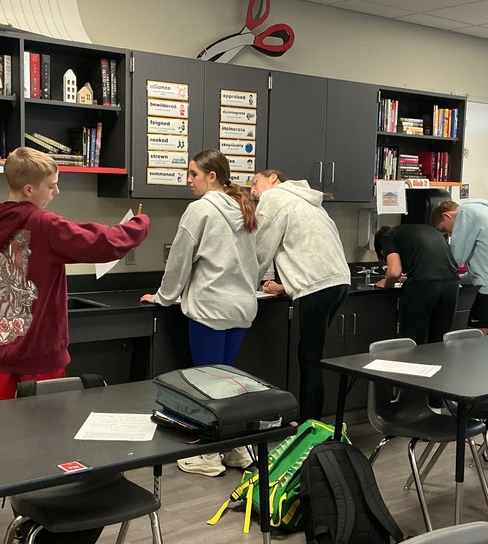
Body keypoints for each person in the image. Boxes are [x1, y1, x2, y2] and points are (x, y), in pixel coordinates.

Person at [0, 146, 150, 544]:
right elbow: (103, 242)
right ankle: (32, 526)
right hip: (40, 356)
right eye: (52, 185)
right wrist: (138, 223)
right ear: (29, 189)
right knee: (48, 448)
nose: (56, 191)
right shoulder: (42, 224)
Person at [142, 149, 258, 477]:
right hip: (241, 308)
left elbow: (179, 260)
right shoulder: (244, 206)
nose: (188, 180)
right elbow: (257, 258)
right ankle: (234, 449)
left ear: (212, 177)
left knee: (207, 384)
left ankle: (208, 457)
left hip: (211, 307)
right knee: (229, 383)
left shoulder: (200, 209)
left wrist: (164, 297)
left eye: (193, 174)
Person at [252, 169, 350, 423]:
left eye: (255, 182)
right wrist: (286, 285)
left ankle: (308, 428)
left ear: (273, 178)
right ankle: (311, 423)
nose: (252, 190)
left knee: (310, 359)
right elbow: (308, 249)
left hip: (316, 288)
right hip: (338, 283)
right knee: (311, 355)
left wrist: (243, 284)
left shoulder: (274, 198)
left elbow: (260, 250)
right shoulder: (307, 200)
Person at [430, 199, 488, 334]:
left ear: (447, 216)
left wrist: (431, 273)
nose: (449, 234)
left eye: (445, 229)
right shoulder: (486, 214)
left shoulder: (466, 213)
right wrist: (459, 278)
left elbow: (455, 258)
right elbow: (482, 269)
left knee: (472, 342)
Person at [374, 223, 460, 346]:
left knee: (414, 341)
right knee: (439, 342)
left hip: (423, 286)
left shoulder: (388, 237)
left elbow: (394, 272)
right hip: (451, 283)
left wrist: (386, 283)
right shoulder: (430, 230)